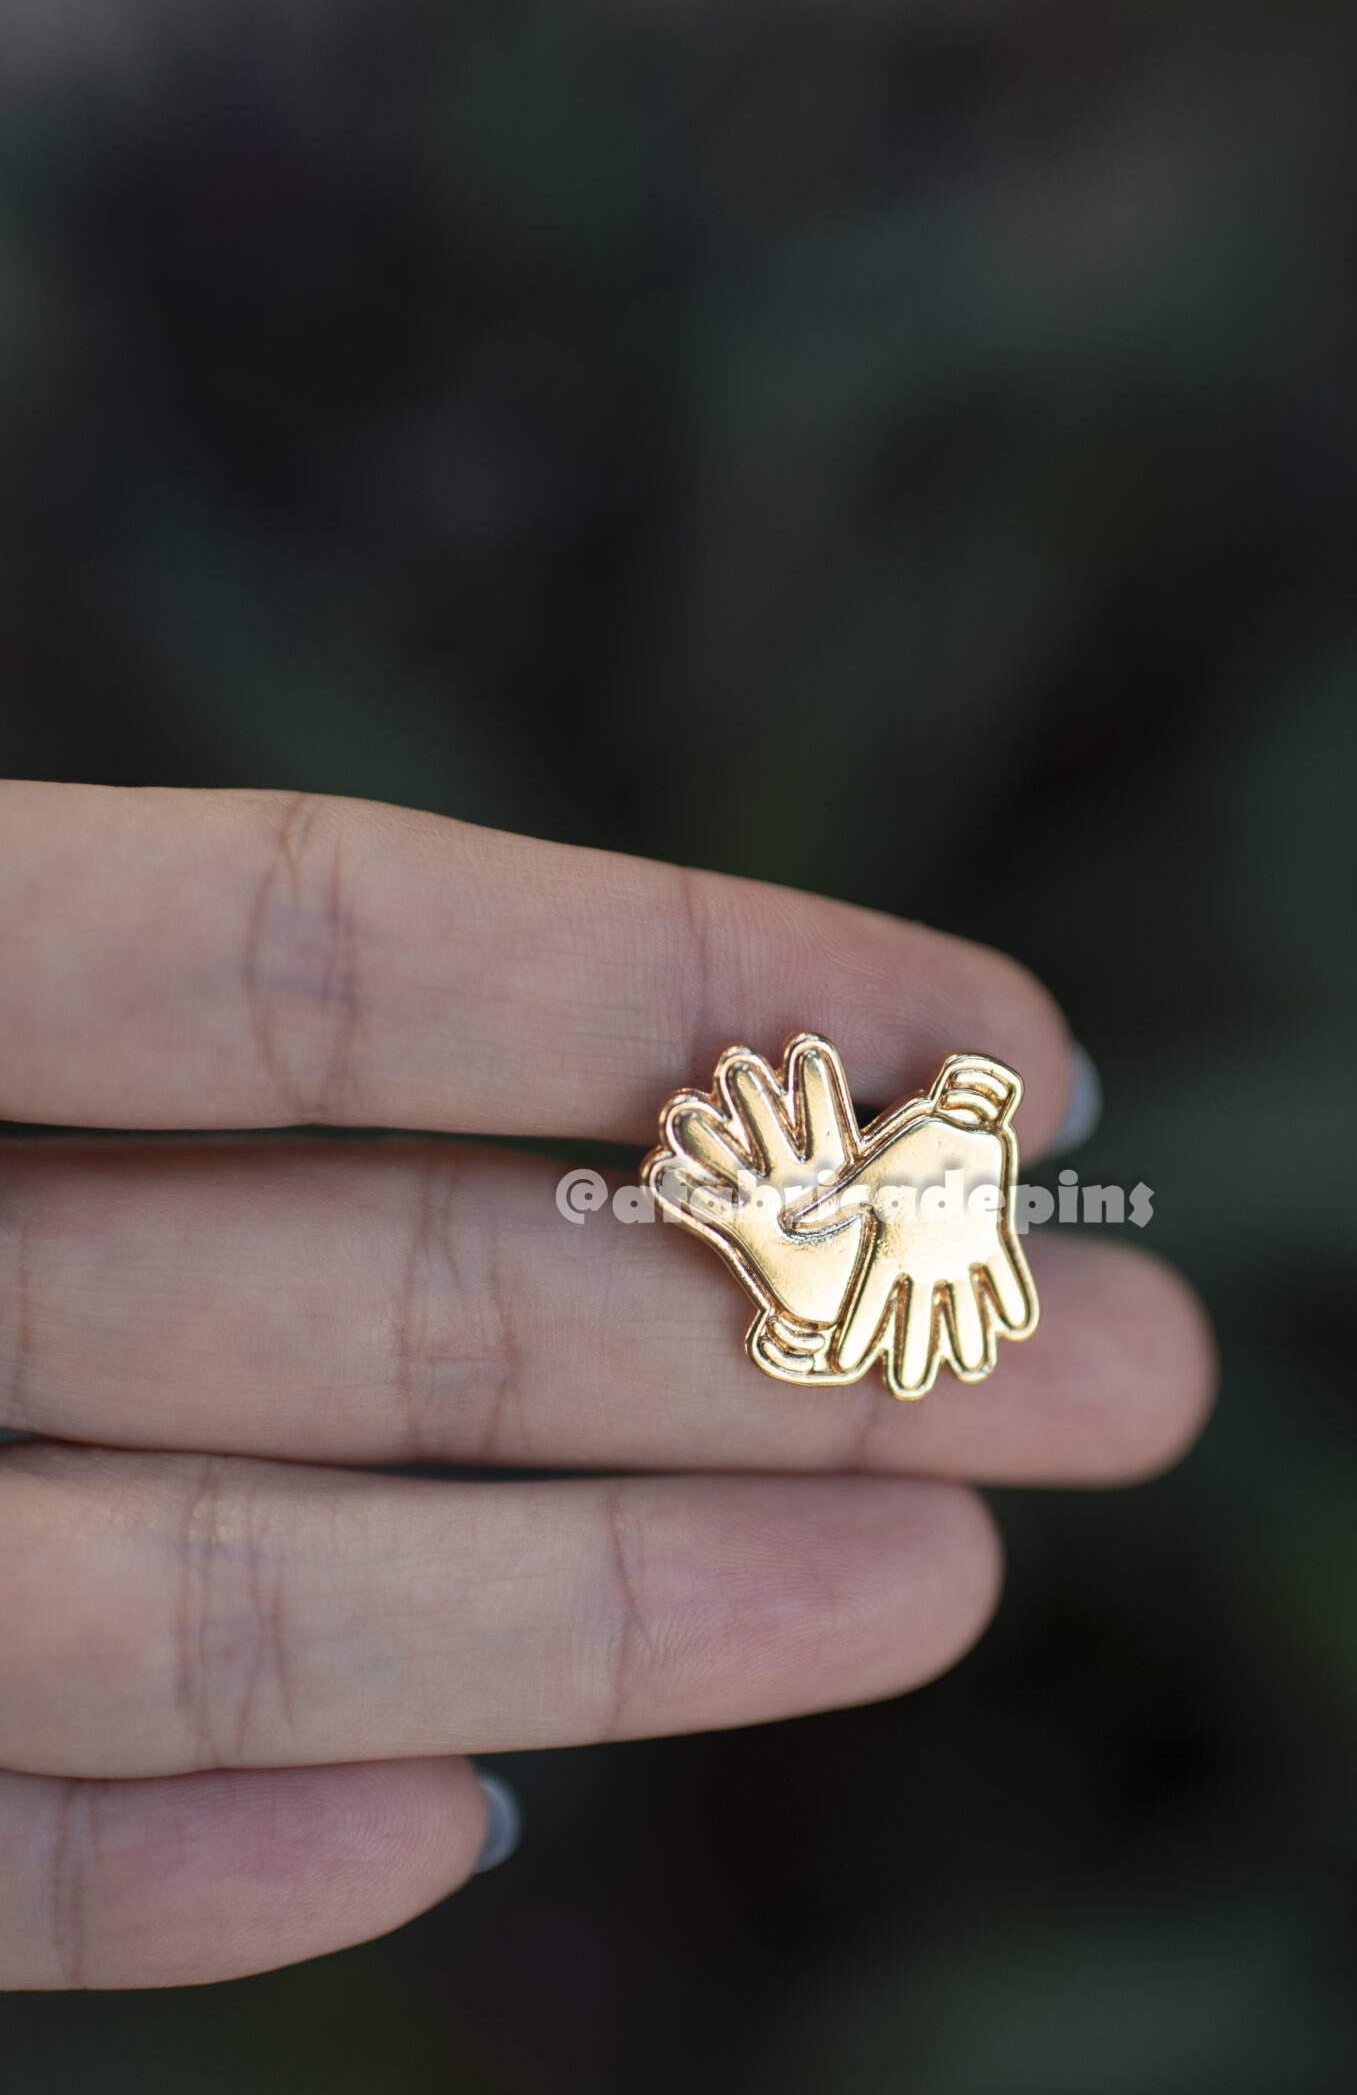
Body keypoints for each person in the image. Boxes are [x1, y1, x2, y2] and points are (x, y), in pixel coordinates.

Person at [0, 781, 1215, 1988]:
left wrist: (852, 1221)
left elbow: (917, 1230)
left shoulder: (937, 1169)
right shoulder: (925, 1164)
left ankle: (787, 1237)